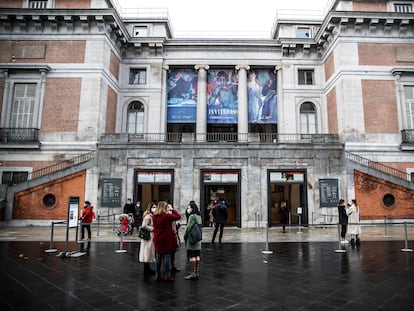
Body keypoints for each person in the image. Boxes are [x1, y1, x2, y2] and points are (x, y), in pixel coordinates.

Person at [152, 200, 181, 282]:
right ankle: (167, 275)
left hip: (157, 238)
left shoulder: (154, 216)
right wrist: (172, 210)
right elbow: (178, 216)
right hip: (166, 239)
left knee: (158, 256)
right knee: (167, 257)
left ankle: (157, 275)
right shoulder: (166, 216)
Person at [184, 201, 202, 280]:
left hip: (192, 238)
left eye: (189, 208)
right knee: (197, 255)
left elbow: (188, 227)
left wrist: (185, 235)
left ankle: (193, 273)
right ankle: (197, 272)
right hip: (198, 238)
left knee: (192, 256)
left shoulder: (192, 216)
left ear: (192, 208)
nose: (188, 209)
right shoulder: (199, 216)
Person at [139, 203, 156, 275]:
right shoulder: (148, 216)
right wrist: (152, 229)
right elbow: (143, 225)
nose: (155, 208)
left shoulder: (152, 216)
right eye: (154, 207)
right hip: (148, 236)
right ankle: (146, 269)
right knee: (147, 252)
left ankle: (147, 268)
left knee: (148, 252)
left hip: (150, 236)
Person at [167, 203, 181, 273]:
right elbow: (178, 216)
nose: (171, 209)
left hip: (174, 235)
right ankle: (168, 267)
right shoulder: (167, 216)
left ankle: (173, 266)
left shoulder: (171, 216)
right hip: (168, 236)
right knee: (167, 253)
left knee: (173, 252)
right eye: (169, 208)